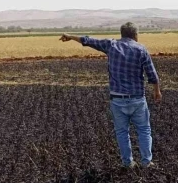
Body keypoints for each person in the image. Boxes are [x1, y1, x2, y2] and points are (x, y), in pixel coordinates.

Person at [59, 22, 162, 168]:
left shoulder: (111, 45)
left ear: (122, 34)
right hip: (137, 98)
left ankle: (127, 163)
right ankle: (146, 162)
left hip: (117, 99)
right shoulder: (141, 49)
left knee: (122, 132)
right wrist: (157, 91)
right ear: (135, 35)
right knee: (144, 130)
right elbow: (152, 74)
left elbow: (88, 40)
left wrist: (70, 37)